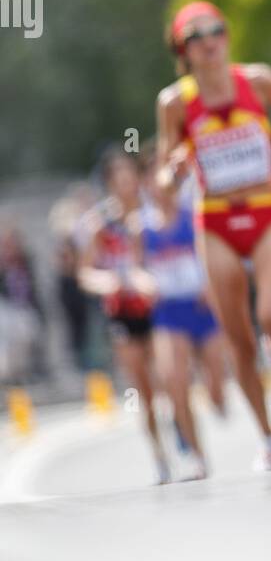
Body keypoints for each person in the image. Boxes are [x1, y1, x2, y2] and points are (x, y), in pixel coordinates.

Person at [155, 1, 271, 471]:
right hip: (216, 221)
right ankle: (268, 437)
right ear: (184, 51)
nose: (210, 41)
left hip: (265, 213)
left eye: (216, 30)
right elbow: (162, 177)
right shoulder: (175, 104)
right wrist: (175, 171)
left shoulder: (257, 81)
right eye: (197, 36)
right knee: (239, 339)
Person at [131, 147, 228, 481]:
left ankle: (217, 395)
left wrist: (209, 284)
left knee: (216, 389)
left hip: (202, 307)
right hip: (169, 311)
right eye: (153, 176)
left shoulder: (193, 213)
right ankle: (198, 457)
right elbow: (134, 268)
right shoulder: (141, 226)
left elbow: (214, 252)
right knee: (174, 381)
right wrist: (144, 282)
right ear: (145, 183)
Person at [77, 149, 168, 483]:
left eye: (129, 173)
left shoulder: (153, 213)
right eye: (117, 176)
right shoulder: (101, 225)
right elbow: (84, 273)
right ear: (109, 183)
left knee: (167, 375)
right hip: (122, 313)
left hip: (157, 307)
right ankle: (160, 456)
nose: (125, 181)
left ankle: (183, 433)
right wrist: (107, 282)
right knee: (143, 388)